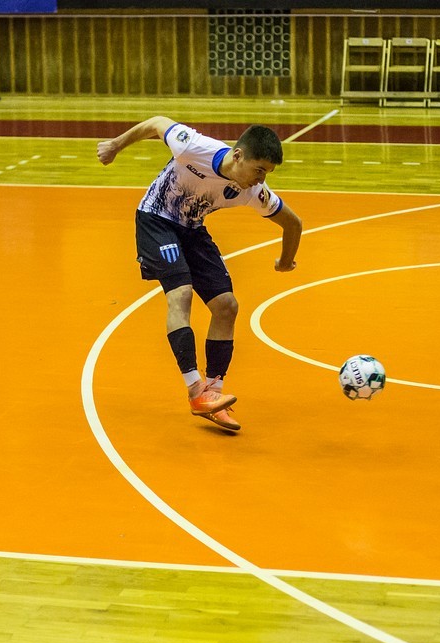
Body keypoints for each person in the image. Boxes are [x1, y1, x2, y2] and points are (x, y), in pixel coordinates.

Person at [97, 118, 302, 431]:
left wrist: (286, 261)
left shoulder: (252, 191)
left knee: (227, 306)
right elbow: (156, 123)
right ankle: (195, 390)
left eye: (267, 174)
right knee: (181, 293)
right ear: (238, 156)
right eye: (259, 170)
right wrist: (115, 145)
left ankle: (213, 395)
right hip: (156, 220)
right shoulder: (193, 146)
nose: (261, 179)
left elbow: (293, 223)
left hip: (192, 230)